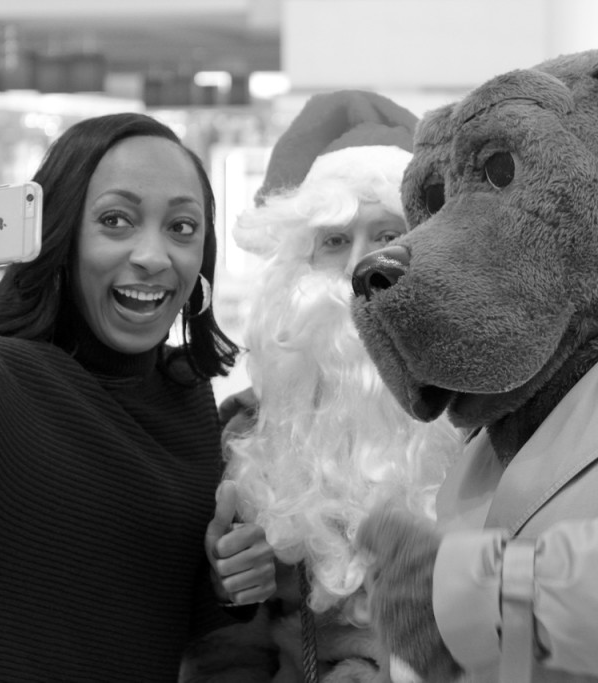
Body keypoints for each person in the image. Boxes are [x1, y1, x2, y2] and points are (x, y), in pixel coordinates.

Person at [0, 112, 275, 683]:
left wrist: (228, 581)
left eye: (182, 228)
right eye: (116, 220)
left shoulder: (183, 394)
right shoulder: (4, 386)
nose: (155, 256)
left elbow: (149, 607)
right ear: (60, 236)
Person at [183, 91, 464, 681]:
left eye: (387, 234)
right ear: (297, 268)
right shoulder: (246, 436)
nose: (359, 267)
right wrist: (229, 588)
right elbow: (222, 648)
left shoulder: (492, 422)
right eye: (334, 241)